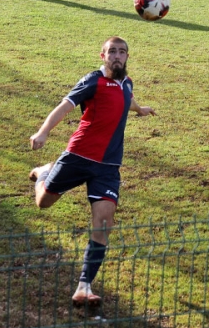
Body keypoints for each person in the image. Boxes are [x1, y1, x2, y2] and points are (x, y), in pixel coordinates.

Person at [28, 36, 156, 306]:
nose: (117, 56)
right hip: (79, 156)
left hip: (108, 167)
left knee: (104, 222)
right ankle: (43, 173)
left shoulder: (126, 83)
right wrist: (43, 132)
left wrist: (139, 109)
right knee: (43, 202)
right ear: (102, 56)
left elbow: (127, 99)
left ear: (127, 57)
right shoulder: (93, 81)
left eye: (122, 52)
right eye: (112, 52)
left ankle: (84, 286)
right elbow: (65, 106)